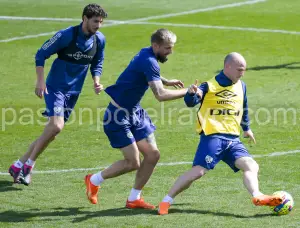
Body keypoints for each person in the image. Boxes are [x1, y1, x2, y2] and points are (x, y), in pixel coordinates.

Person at [158, 52, 284, 215]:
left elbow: (243, 107)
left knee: (251, 165)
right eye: (239, 69)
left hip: (233, 140)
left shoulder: (241, 86)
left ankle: (257, 196)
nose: (242, 73)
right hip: (213, 137)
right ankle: (166, 201)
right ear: (227, 67)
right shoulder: (208, 86)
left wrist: (247, 128)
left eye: (244, 70)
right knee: (198, 172)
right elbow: (192, 102)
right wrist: (190, 93)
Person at [84, 28, 187, 209]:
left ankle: (134, 199)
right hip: (117, 116)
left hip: (135, 113)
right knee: (133, 162)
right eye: (167, 48)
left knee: (153, 155)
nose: (170, 52)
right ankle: (93, 180)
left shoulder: (146, 54)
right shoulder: (149, 60)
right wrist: (188, 92)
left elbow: (146, 71)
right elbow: (160, 95)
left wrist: (165, 80)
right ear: (155, 45)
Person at [8, 3, 108, 185]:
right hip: (55, 87)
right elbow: (41, 54)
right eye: (95, 21)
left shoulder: (99, 39)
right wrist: (40, 80)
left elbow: (98, 62)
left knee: (51, 132)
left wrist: (96, 80)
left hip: (74, 92)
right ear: (84, 18)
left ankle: (18, 165)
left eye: (101, 22)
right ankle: (29, 166)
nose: (98, 26)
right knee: (56, 126)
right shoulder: (66, 35)